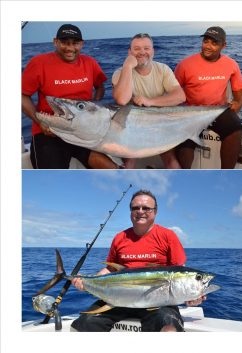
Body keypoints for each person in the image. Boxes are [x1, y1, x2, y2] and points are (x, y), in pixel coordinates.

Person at [71, 189, 206, 332]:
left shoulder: (168, 236)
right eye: (136, 208)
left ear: (155, 212)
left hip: (159, 304)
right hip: (118, 299)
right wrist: (85, 282)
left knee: (169, 328)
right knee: (86, 322)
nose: (140, 211)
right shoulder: (120, 237)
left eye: (146, 208)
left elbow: (180, 272)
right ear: (130, 212)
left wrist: (191, 296)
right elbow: (110, 269)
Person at [22, 24, 118, 169]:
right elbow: (22, 95)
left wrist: (94, 106)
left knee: (111, 168)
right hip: (50, 132)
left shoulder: (90, 62)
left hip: (83, 132)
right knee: (52, 178)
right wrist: (40, 122)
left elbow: (100, 85)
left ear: (82, 44)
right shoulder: (39, 63)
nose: (70, 48)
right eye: (64, 43)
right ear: (55, 42)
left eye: (75, 43)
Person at [174, 26, 242, 169]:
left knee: (236, 130)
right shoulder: (184, 65)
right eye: (206, 41)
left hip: (218, 110)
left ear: (224, 46)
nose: (208, 46)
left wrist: (238, 103)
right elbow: (173, 93)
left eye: (214, 43)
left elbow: (239, 92)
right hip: (192, 111)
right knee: (184, 140)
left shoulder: (231, 64)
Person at [112, 33, 186, 169]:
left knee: (170, 158)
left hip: (159, 123)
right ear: (129, 52)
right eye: (137, 49)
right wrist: (127, 67)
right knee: (128, 161)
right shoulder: (120, 73)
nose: (142, 52)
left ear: (153, 51)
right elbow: (122, 100)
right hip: (132, 126)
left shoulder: (163, 69)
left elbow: (180, 96)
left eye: (146, 48)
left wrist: (149, 101)